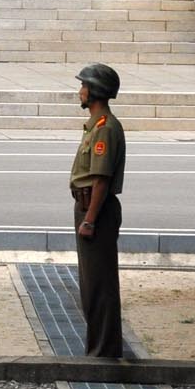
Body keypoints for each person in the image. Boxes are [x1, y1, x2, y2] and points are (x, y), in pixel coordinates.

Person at [70, 63, 125, 358]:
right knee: (91, 286)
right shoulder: (96, 125)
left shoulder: (104, 129)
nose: (80, 91)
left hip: (96, 210)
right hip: (89, 206)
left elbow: (101, 179)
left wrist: (89, 220)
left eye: (84, 85)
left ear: (94, 91)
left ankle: (103, 352)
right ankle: (98, 349)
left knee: (99, 287)